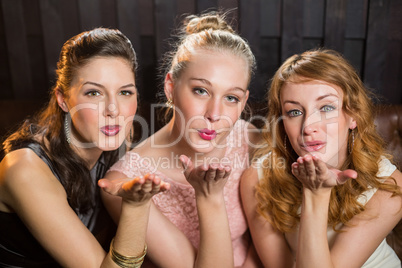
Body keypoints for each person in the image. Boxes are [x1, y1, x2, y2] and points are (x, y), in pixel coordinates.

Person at [102, 11, 262, 267]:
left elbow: (267, 243)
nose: (214, 114)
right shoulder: (126, 183)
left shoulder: (251, 139)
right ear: (171, 87)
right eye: (201, 91)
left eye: (231, 97)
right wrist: (209, 197)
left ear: (243, 101)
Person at [0, 28, 169, 267]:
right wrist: (136, 207)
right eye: (94, 92)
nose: (113, 109)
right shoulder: (25, 168)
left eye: (124, 92)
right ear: (63, 99)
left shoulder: (120, 141)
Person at [240, 48, 402, 267]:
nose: (308, 127)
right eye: (294, 112)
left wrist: (316, 193)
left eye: (326, 107)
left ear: (353, 115)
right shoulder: (257, 179)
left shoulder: (391, 186)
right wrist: (314, 192)